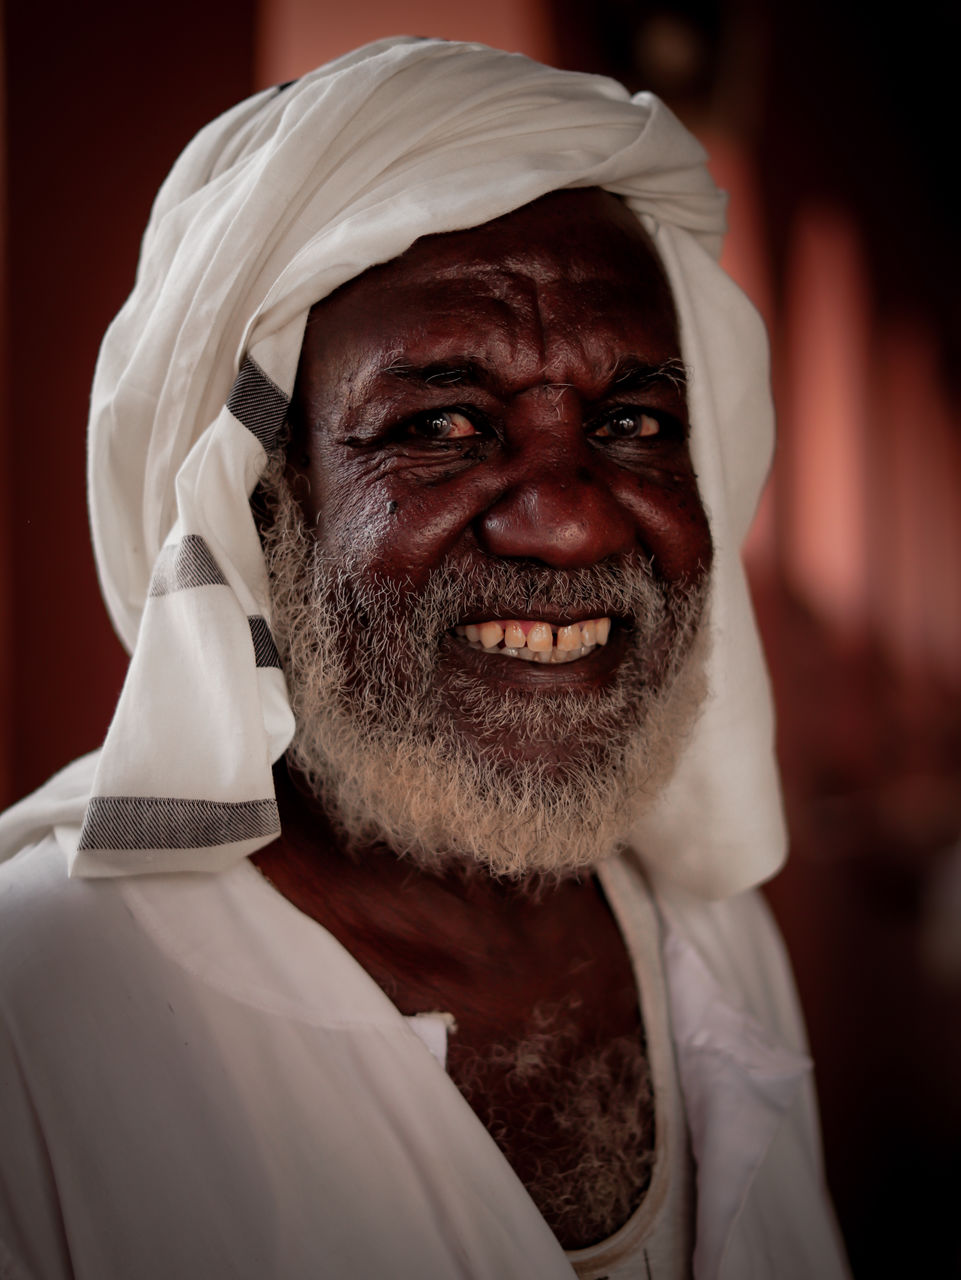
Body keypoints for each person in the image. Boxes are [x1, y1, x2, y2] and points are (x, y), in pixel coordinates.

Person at [0, 37, 849, 1280]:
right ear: (263, 503)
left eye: (631, 424)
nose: (569, 517)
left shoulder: (713, 941)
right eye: (442, 424)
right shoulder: (39, 1008)